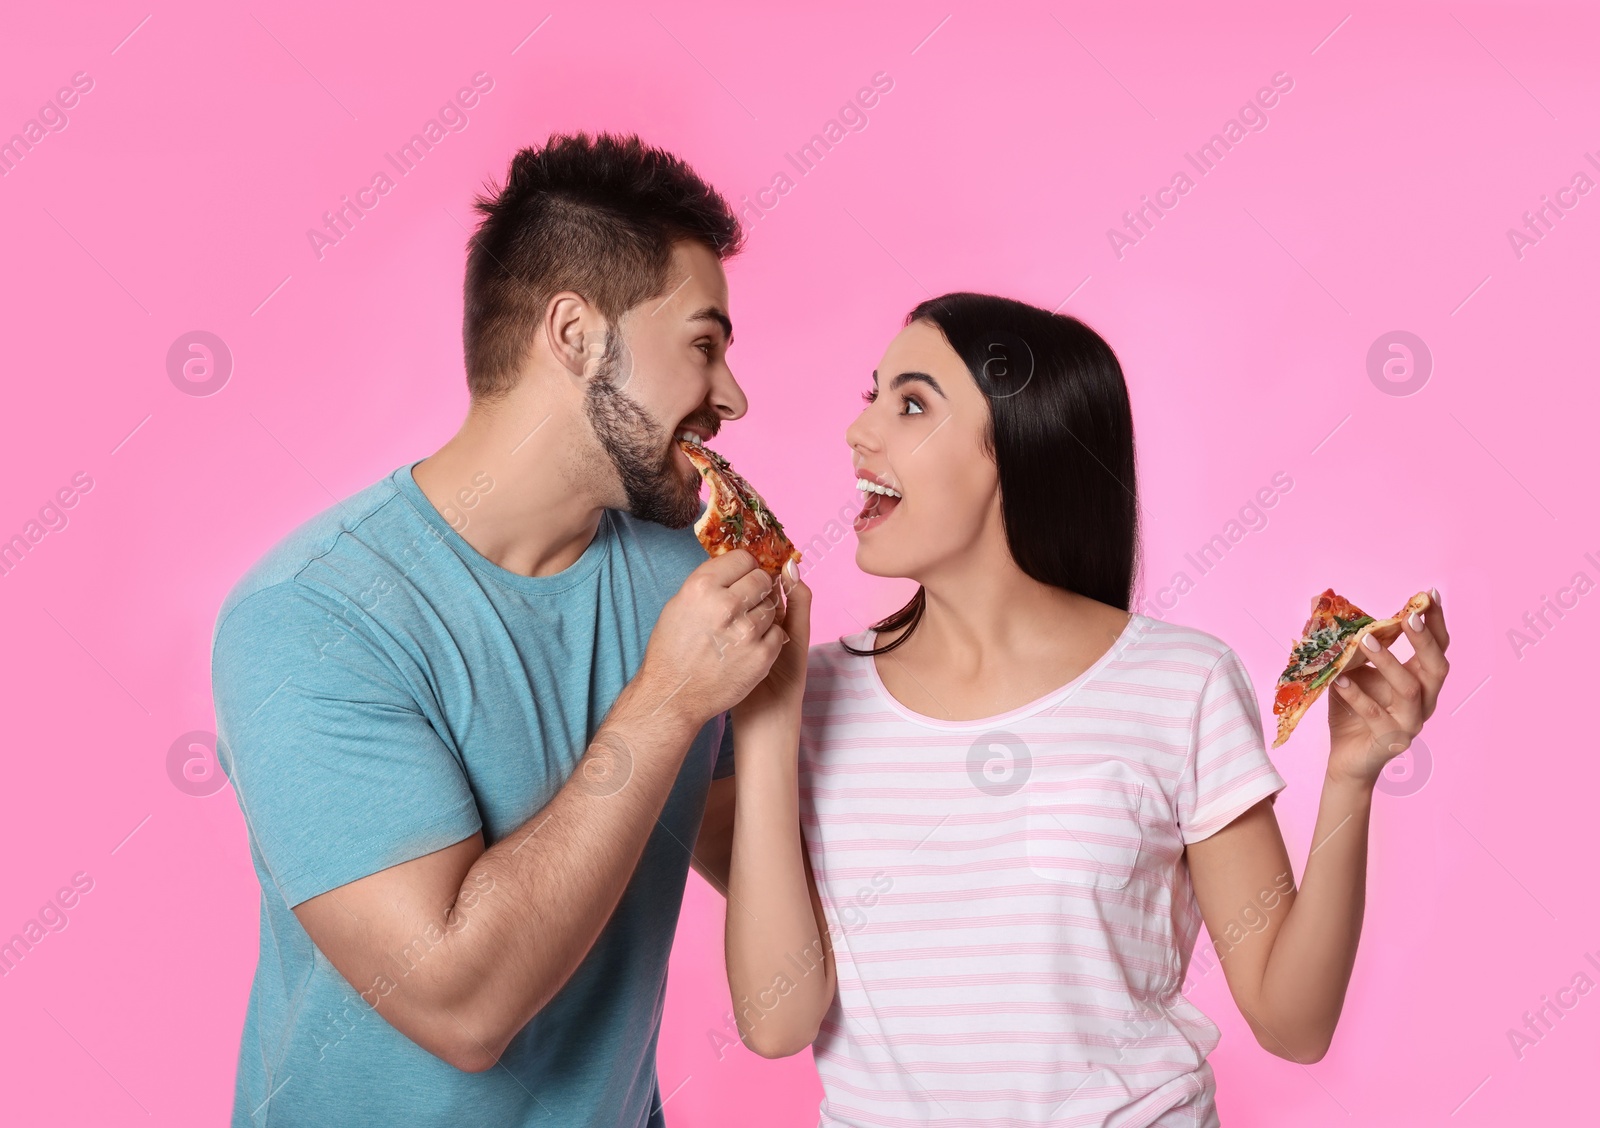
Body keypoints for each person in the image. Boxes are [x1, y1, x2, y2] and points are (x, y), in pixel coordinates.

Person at [723, 292, 1452, 1126]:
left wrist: (1350, 780)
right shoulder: (809, 699)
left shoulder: (1181, 685)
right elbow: (777, 1024)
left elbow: (1294, 1024)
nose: (860, 433)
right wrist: (771, 715)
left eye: (913, 403)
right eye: (873, 396)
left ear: (1019, 448)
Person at [210, 133, 789, 1127]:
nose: (732, 394)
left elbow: (765, 877)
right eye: (703, 342)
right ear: (575, 333)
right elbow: (460, 1005)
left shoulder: (684, 584)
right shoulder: (310, 619)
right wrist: (667, 702)